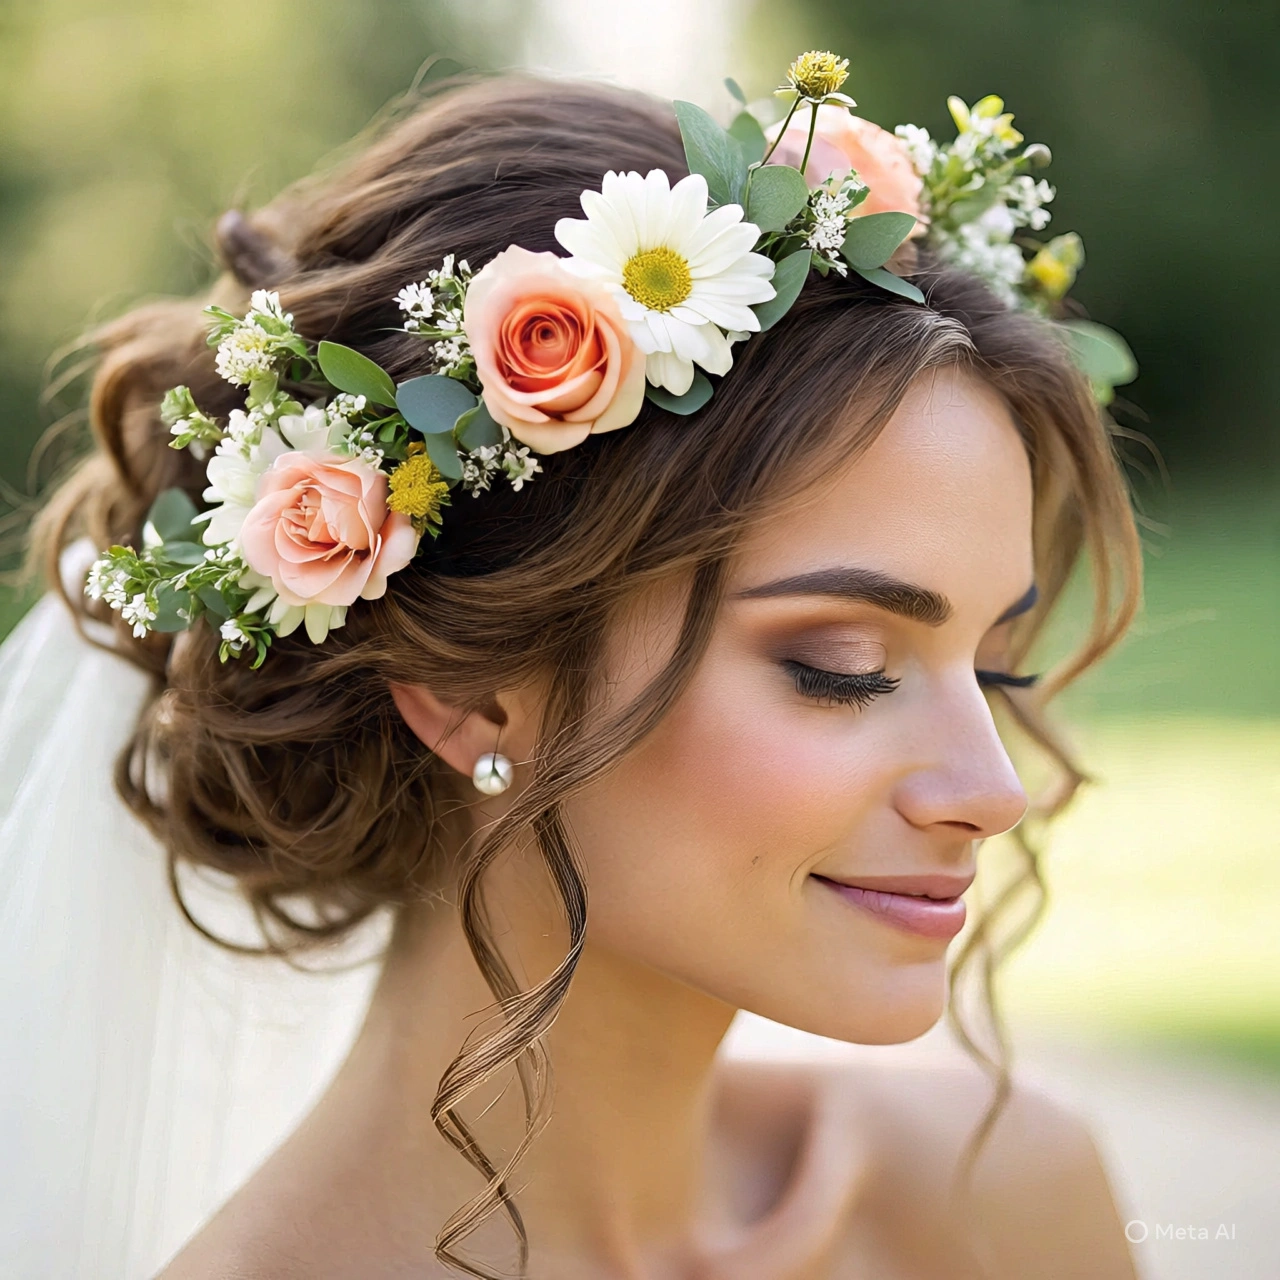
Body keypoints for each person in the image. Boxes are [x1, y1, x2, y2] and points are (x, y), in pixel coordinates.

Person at [2, 62, 1144, 1279]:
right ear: (467, 685)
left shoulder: (1004, 1204)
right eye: (841, 666)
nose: (992, 787)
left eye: (993, 665)